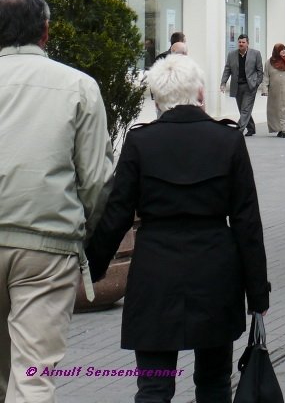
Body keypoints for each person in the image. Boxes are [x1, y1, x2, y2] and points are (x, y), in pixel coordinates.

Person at [86, 54, 270, 402]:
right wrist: (257, 293)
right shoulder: (228, 139)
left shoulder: (140, 142)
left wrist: (92, 267)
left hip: (156, 273)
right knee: (215, 382)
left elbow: (117, 215)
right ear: (200, 93)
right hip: (215, 273)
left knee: (154, 385)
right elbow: (247, 221)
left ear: (156, 98)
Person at [0, 0, 115, 402]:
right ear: (45, 32)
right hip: (47, 246)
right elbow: (97, 181)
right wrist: (82, 234)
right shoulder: (79, 87)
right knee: (32, 372)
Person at [220, 34, 264, 136]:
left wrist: (256, 84)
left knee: (245, 109)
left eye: (243, 42)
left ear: (247, 43)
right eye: (239, 42)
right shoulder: (231, 55)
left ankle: (237, 131)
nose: (241, 44)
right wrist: (223, 83)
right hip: (237, 87)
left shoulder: (256, 54)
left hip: (250, 87)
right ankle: (251, 128)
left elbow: (260, 71)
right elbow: (227, 70)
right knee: (243, 109)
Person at [263, 43, 285, 138]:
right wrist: (265, 89)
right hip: (274, 92)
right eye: (281, 50)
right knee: (275, 111)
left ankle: (284, 129)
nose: (283, 51)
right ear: (276, 51)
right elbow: (266, 76)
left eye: (284, 49)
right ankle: (279, 129)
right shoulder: (269, 63)